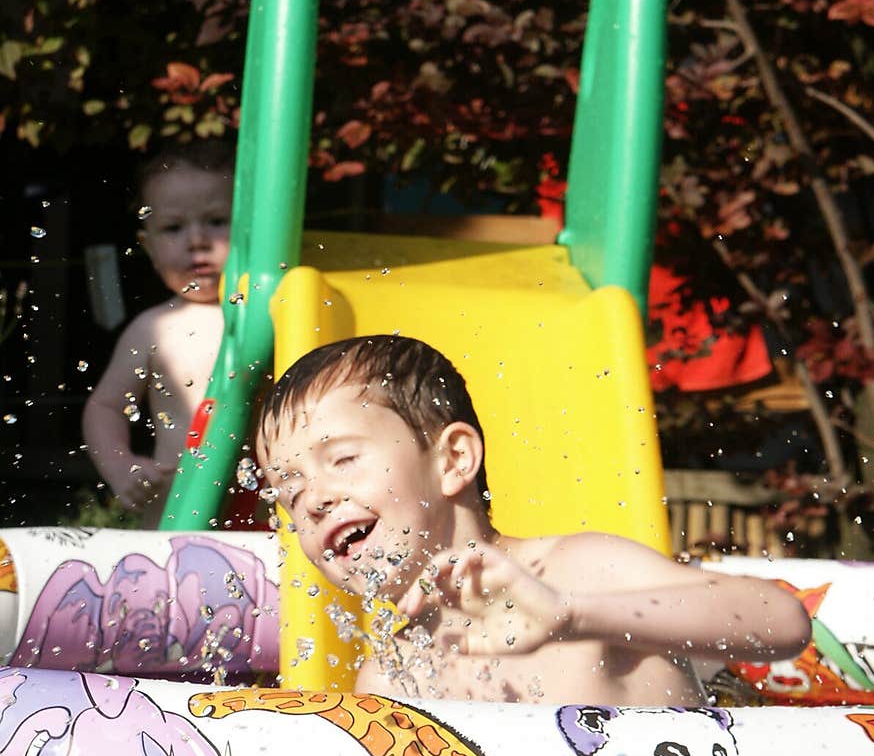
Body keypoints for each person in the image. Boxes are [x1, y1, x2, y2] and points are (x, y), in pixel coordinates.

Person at [255, 333, 812, 706]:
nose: (315, 499)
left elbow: (780, 619)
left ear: (453, 461)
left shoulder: (578, 572)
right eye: (288, 491)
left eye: (343, 460)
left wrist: (573, 617)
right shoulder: (392, 673)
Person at [82, 138, 234, 529]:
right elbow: (105, 407)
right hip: (177, 519)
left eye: (217, 221)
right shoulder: (153, 328)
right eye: (173, 228)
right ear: (148, 247)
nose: (197, 241)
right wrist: (121, 466)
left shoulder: (276, 313)